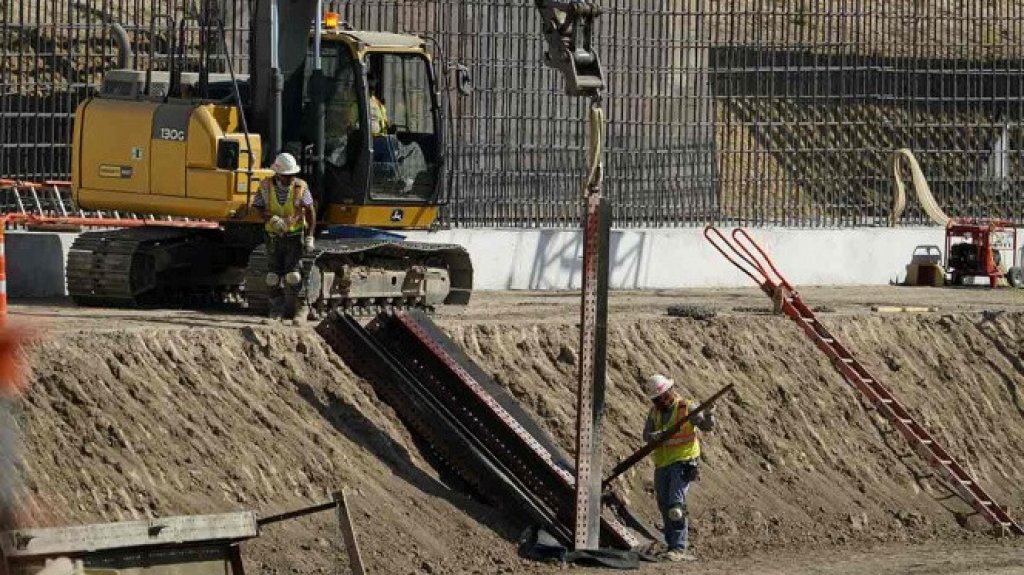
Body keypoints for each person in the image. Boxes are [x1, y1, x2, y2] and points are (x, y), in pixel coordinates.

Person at [641, 373, 715, 562]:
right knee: (664, 504)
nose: (663, 401)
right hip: (663, 463)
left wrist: (709, 412)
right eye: (658, 399)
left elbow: (706, 426)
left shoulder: (686, 408)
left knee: (675, 505)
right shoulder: (654, 412)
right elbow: (646, 435)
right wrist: (655, 436)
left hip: (684, 461)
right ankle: (671, 545)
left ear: (671, 391)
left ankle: (679, 548)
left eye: (664, 396)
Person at [252, 152, 316, 319]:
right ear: (278, 174)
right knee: (272, 277)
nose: (290, 178)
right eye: (286, 175)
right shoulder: (265, 186)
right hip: (273, 237)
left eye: (292, 175)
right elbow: (257, 206)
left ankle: (301, 307)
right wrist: (271, 219)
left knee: (293, 275)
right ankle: (276, 309)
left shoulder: (300, 187)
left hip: (294, 237)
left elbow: (310, 211)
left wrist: (310, 236)